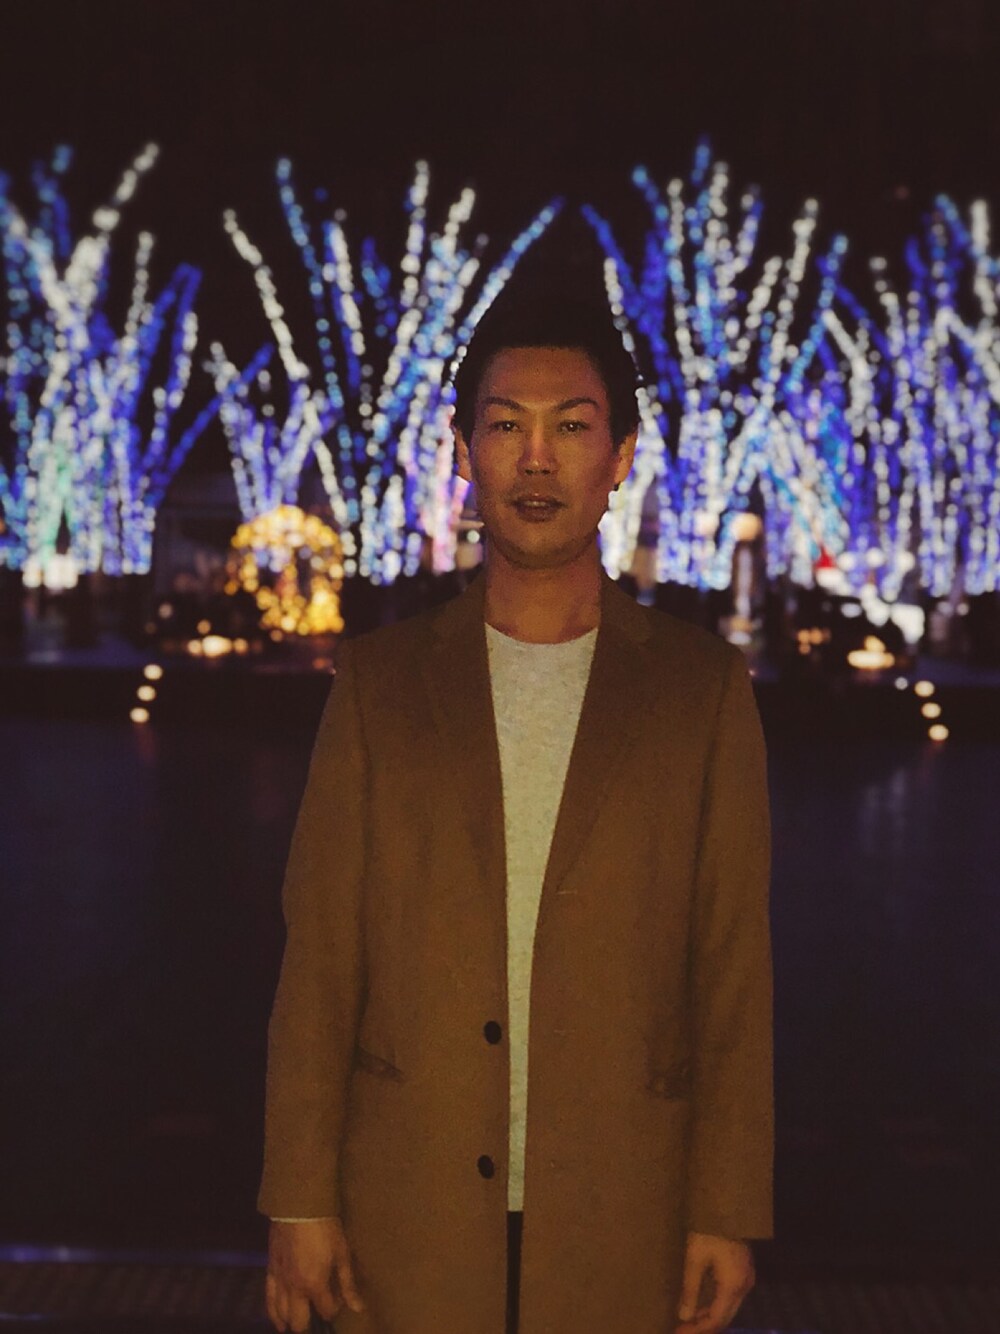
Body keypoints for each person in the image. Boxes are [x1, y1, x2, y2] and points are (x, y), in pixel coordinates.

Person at [260, 296, 773, 1334]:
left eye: (571, 425)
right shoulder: (380, 682)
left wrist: (726, 1207)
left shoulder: (699, 689)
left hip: (623, 1203)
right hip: (406, 1201)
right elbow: (319, 956)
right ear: (464, 451)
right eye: (505, 424)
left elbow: (730, 966)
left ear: (621, 455)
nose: (537, 458)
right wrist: (299, 1197)